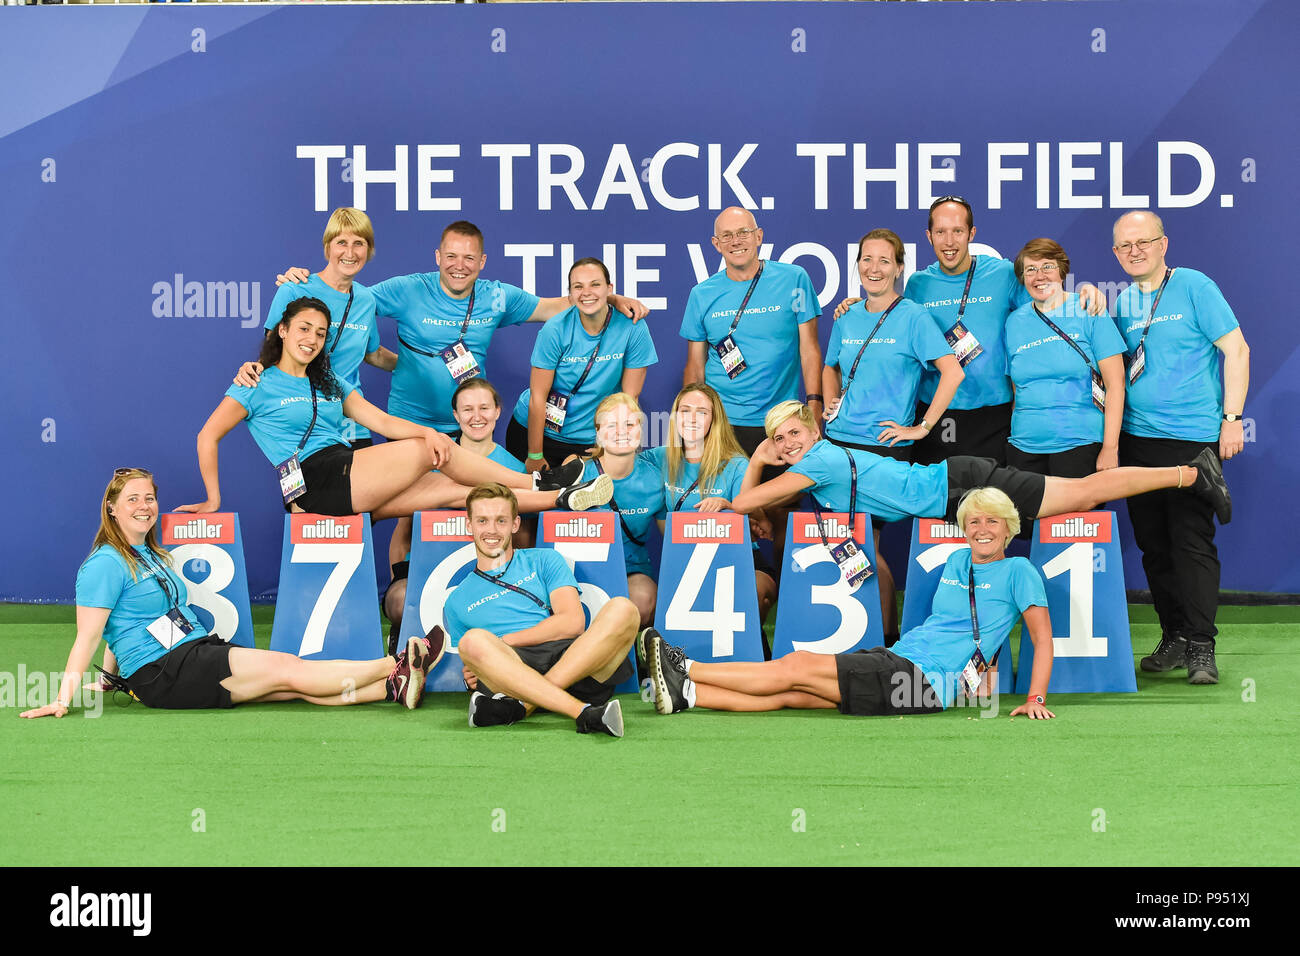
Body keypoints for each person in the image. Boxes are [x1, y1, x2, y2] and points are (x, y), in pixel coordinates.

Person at [20, 469, 442, 718]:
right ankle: (398, 660)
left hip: (184, 651)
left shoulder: (150, 554)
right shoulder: (104, 564)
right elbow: (89, 636)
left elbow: (120, 627)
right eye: (132, 499)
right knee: (288, 668)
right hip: (166, 670)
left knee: (289, 686)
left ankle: (392, 687)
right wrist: (62, 698)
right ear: (111, 507)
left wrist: (113, 678)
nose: (144, 506)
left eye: (149, 498)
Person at [643, 488, 1056, 720]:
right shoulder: (956, 559)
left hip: (919, 682)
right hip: (903, 664)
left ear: (1008, 528)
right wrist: (978, 685)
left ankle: (684, 667)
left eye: (992, 521)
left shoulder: (1020, 570)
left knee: (796, 665)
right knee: (793, 692)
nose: (982, 529)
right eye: (974, 521)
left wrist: (1034, 698)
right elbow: (962, 630)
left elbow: (1042, 640)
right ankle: (688, 695)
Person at [179, 299, 611, 519]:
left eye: (321, 332)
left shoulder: (331, 381)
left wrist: (425, 432)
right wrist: (212, 498)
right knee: (429, 453)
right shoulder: (255, 382)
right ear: (284, 330)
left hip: (349, 471)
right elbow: (207, 435)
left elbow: (381, 422)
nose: (311, 338)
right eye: (303, 329)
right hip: (312, 482)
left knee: (452, 491)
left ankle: (562, 497)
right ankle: (537, 480)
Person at [278, 220, 648, 436]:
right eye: (451, 256)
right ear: (437, 257)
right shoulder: (406, 289)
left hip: (470, 423)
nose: (460, 265)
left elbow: (556, 306)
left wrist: (611, 299)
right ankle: (402, 575)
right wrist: (302, 284)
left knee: (466, 513)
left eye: (469, 257)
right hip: (409, 422)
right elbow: (343, 300)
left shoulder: (498, 297)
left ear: (482, 261)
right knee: (410, 515)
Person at [722, 401, 1231, 547]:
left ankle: (1191, 473)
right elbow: (764, 506)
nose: (788, 442)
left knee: (1083, 493)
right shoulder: (818, 467)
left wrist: (761, 461)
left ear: (812, 433)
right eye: (779, 437)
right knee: (1081, 494)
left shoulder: (819, 461)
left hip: (959, 485)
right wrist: (763, 475)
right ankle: (1188, 473)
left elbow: (746, 504)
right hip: (951, 494)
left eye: (794, 433)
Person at [839, 197, 1104, 465]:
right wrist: (858, 305)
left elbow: (1045, 303)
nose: (949, 241)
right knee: (940, 504)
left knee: (994, 504)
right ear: (929, 236)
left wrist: (1082, 292)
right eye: (941, 232)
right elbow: (893, 316)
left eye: (958, 231)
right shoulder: (918, 284)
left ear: (971, 234)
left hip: (993, 416)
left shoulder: (1001, 273)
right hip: (934, 414)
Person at [1110, 210, 1250, 685]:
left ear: (1163, 244)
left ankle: (1202, 646)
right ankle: (1173, 635)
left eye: (1143, 242)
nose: (1134, 251)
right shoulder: (1124, 302)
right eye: (1125, 246)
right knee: (1154, 545)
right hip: (1137, 440)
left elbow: (1237, 349)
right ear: (1115, 253)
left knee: (1192, 541)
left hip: (1192, 439)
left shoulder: (1193, 285)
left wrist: (1231, 420)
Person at [823, 227, 963, 641]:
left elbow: (952, 371)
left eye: (885, 260)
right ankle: (860, 635)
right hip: (838, 445)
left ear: (899, 268)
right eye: (867, 259)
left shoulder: (914, 317)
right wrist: (832, 406)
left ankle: (885, 639)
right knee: (842, 545)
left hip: (883, 448)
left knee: (866, 548)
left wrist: (921, 428)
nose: (874, 268)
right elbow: (830, 365)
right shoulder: (846, 315)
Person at [444, 484, 640, 738]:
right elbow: (475, 664)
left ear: (515, 524)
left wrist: (503, 641)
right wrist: (477, 665)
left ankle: (523, 707)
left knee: (624, 609)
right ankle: (583, 712)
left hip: (572, 663)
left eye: (500, 521)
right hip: (511, 673)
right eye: (482, 521)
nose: (491, 530)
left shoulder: (544, 560)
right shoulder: (456, 600)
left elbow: (572, 623)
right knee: (471, 643)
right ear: (469, 525)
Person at [233, 207, 396, 447]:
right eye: (341, 242)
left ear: (369, 250)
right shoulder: (294, 288)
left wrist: (418, 364)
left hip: (350, 418)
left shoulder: (366, 300)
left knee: (365, 483)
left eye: (359, 243)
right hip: (303, 415)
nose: (350, 252)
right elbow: (271, 351)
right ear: (328, 247)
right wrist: (251, 369)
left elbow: (374, 354)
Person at [383, 377, 527, 641]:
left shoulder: (515, 470)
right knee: (399, 601)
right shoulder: (430, 461)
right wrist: (401, 577)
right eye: (467, 409)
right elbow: (402, 535)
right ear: (455, 415)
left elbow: (523, 540)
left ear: (497, 411)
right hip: (427, 573)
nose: (476, 417)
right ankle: (402, 639)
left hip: (488, 575)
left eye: (484, 408)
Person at [681, 206, 825, 456]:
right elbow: (695, 366)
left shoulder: (794, 280)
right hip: (722, 423)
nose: (735, 241)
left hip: (780, 421)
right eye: (726, 235)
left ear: (759, 236)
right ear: (716, 244)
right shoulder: (701, 294)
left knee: (780, 495)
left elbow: (809, 348)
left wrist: (814, 403)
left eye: (743, 232)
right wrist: (692, 427)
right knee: (723, 495)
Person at [643, 383, 779, 629]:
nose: (692, 418)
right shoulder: (657, 458)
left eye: (702, 412)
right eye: (685, 410)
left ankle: (750, 659)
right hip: (685, 561)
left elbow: (756, 523)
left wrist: (729, 507)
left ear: (714, 420)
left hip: (740, 559)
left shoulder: (736, 463)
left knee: (755, 591)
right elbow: (619, 465)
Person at [507, 257, 658, 473]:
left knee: (587, 503)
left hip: (589, 440)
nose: (586, 292)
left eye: (595, 284)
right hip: (536, 435)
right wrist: (535, 455)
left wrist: (626, 448)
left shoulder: (632, 327)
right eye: (578, 286)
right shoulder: (555, 329)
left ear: (610, 288)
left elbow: (629, 399)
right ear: (570, 294)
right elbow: (538, 397)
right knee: (531, 502)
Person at [1004, 238, 1127, 477]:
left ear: (1062, 270)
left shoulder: (1089, 309)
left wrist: (1110, 448)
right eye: (1030, 269)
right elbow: (1018, 390)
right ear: (1022, 278)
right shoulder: (1014, 322)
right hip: (1023, 447)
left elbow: (1116, 385)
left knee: (1073, 516)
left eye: (1047, 266)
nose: (1039, 276)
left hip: (1079, 444)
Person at [569, 393, 667, 629]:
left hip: (631, 571)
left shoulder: (655, 479)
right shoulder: (577, 472)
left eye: (629, 424)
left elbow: (673, 540)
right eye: (611, 425)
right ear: (598, 433)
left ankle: (629, 661)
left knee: (644, 599)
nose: (621, 431)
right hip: (580, 572)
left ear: (641, 430)